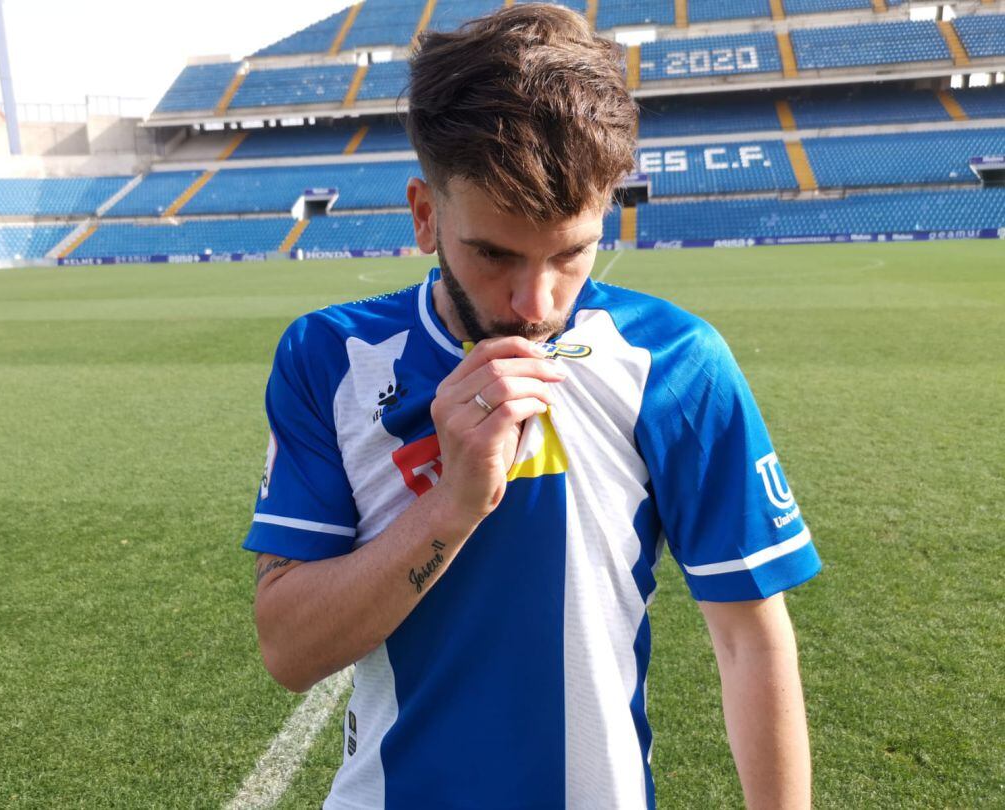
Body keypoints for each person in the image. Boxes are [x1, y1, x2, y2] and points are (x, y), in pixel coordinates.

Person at [243, 5, 821, 808]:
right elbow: (290, 652)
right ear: (425, 215)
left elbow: (750, 640)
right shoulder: (328, 358)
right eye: (493, 253)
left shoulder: (676, 363)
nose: (533, 301)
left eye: (572, 254)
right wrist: (451, 505)